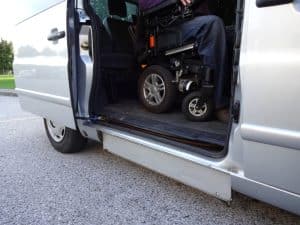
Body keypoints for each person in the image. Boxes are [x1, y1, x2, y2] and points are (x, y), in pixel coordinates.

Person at [138, 0, 229, 122]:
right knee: (214, 24)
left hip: (193, 19)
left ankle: (230, 95)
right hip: (170, 25)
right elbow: (144, 4)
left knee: (230, 31)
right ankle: (219, 103)